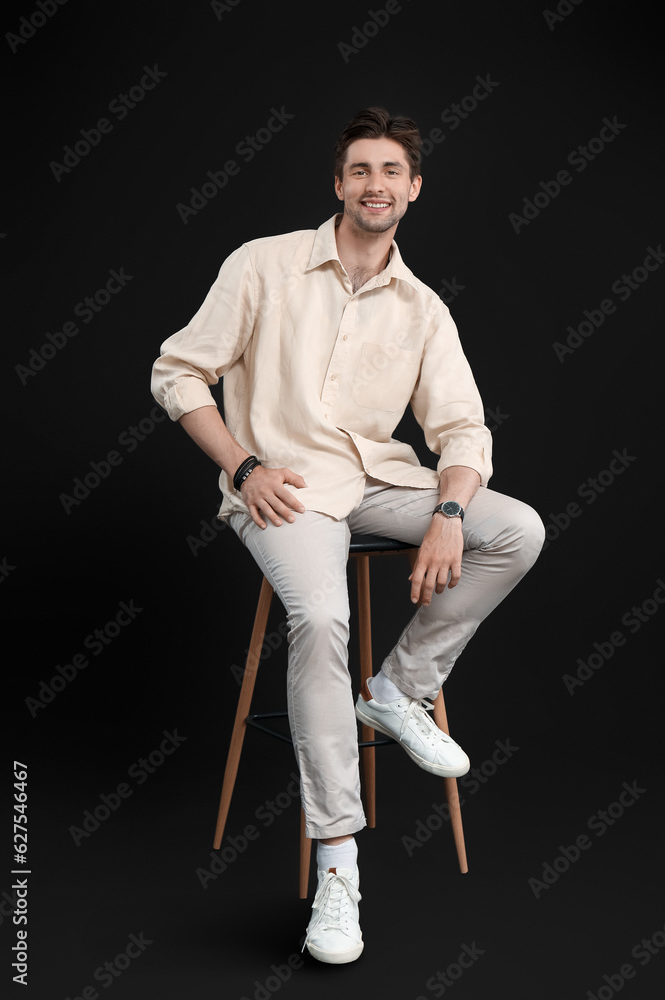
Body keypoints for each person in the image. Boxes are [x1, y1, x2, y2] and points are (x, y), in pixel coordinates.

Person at [151, 106, 544, 965]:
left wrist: (447, 515)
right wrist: (243, 467)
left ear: (411, 190)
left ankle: (396, 690)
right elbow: (178, 370)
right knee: (322, 621)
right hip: (285, 490)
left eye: (390, 172)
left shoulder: (422, 307)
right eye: (360, 171)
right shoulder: (264, 265)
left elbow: (464, 429)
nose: (375, 185)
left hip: (378, 484)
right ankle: (338, 864)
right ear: (339, 185)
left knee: (515, 528)